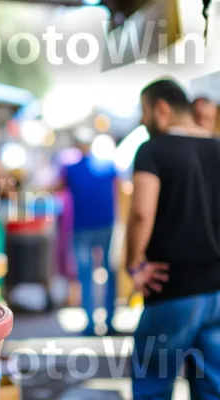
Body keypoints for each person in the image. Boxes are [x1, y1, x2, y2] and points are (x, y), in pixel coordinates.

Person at [128, 79, 220, 400]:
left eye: (144, 111)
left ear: (162, 108)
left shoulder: (152, 149)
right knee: (212, 387)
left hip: (172, 290)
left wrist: (134, 263)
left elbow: (141, 212)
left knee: (153, 384)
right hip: (217, 290)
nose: (142, 120)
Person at [58, 133, 118, 335]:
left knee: (85, 275)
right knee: (109, 272)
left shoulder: (70, 169)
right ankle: (109, 321)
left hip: (83, 227)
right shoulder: (108, 166)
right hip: (106, 224)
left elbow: (56, 188)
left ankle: (91, 324)